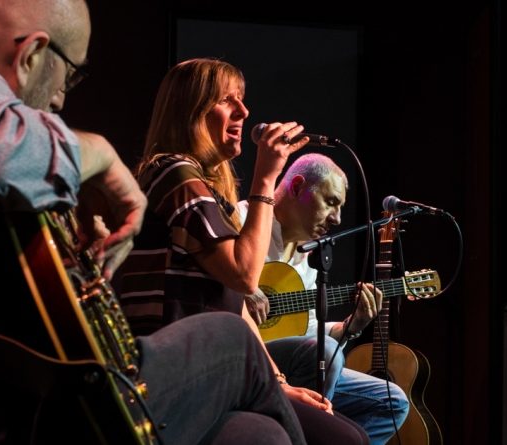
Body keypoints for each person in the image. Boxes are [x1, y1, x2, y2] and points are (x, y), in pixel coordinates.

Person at [0, 1, 306, 444]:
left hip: (40, 390)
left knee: (257, 435)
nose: (62, 98)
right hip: (38, 408)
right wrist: (97, 154)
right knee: (232, 342)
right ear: (31, 54)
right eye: (70, 74)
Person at [116, 57, 369, 445]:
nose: (245, 112)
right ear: (192, 111)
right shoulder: (175, 174)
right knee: (341, 440)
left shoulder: (205, 189)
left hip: (216, 364)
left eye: (243, 100)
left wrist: (279, 383)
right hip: (180, 369)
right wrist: (266, 177)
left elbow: (236, 306)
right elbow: (245, 275)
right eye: (227, 100)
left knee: (295, 434)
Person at [239, 153, 410, 445]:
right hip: (248, 358)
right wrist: (239, 288)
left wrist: (352, 325)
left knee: (392, 401)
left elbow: (308, 331)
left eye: (341, 207)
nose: (338, 218)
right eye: (331, 202)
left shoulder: (306, 259)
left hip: (292, 360)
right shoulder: (243, 220)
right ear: (296, 187)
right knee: (324, 352)